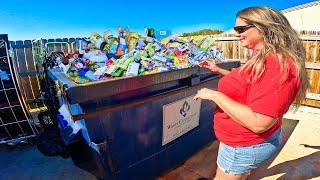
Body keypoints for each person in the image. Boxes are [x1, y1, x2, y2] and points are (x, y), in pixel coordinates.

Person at [194, 6, 309, 180]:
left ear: (263, 28)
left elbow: (260, 123)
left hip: (243, 145)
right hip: (243, 144)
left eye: (241, 29)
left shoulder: (276, 65)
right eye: (235, 29)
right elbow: (246, 81)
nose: (237, 34)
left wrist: (214, 95)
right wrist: (217, 69)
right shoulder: (262, 55)